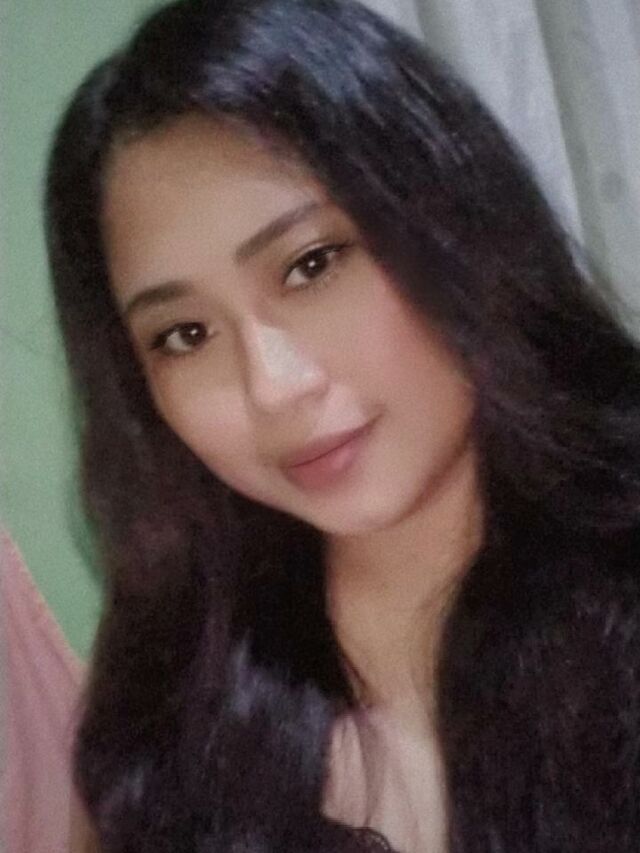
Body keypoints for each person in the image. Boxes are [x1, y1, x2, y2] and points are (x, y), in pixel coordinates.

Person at [45, 0, 640, 850]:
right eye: (185, 335)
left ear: (452, 217)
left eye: (312, 264)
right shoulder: (169, 683)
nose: (273, 387)